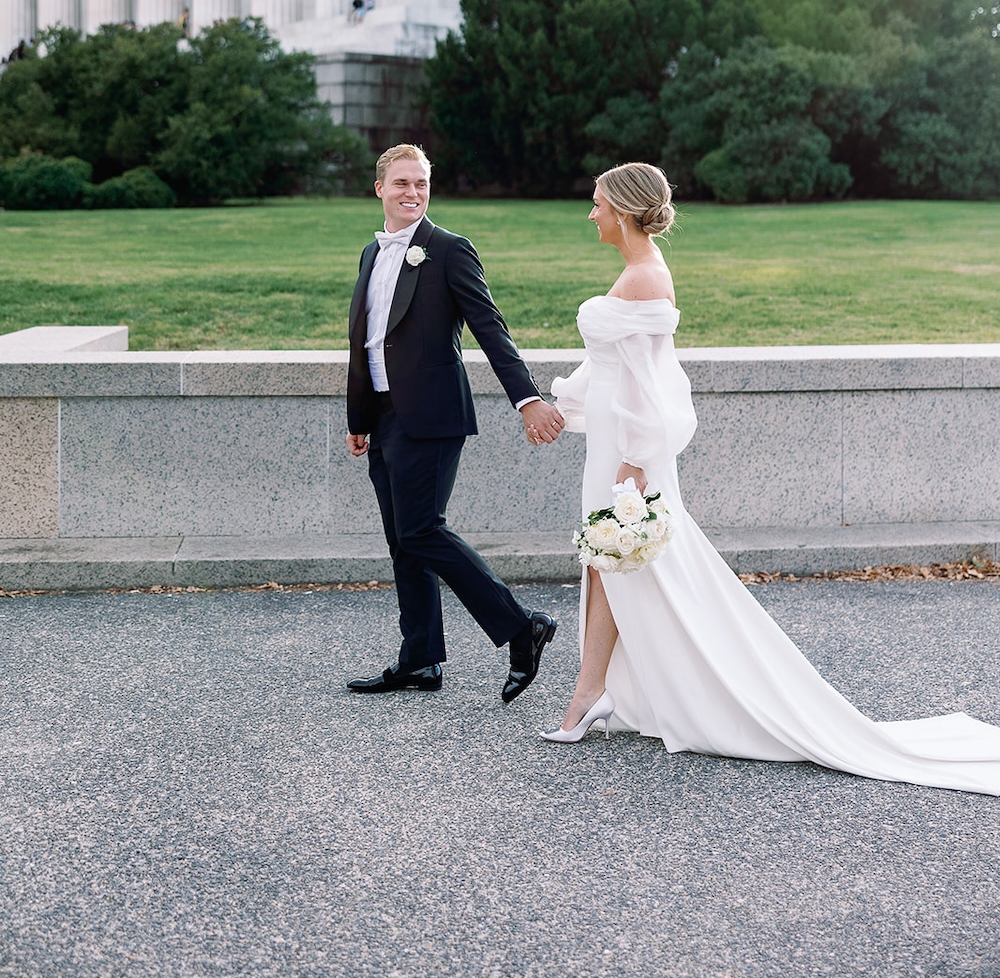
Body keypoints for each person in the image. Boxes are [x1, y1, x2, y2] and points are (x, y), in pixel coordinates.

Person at [542, 161, 1000, 795]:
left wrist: (634, 464)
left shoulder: (646, 279)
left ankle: (597, 695)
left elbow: (656, 390)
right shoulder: (633, 273)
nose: (589, 215)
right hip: (615, 446)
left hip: (630, 452)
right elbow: (610, 368)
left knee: (623, 564)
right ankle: (594, 692)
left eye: (595, 204)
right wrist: (560, 411)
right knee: (605, 564)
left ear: (622, 210)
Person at [346, 143, 562, 701]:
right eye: (401, 183)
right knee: (403, 541)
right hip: (385, 416)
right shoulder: (372, 255)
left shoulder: (448, 250)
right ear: (380, 189)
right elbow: (367, 342)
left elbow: (492, 330)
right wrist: (360, 416)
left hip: (432, 416)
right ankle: (419, 660)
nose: (412, 192)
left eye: (420, 183)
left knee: (422, 530)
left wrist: (528, 399)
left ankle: (521, 625)